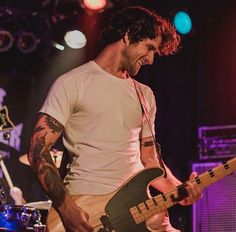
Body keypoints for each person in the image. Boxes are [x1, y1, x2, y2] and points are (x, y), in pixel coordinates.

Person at [28, 6, 202, 232]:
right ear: (128, 35)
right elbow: (37, 149)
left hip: (139, 209)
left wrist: (180, 189)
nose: (150, 59)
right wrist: (66, 207)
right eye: (149, 48)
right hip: (88, 208)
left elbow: (149, 160)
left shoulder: (144, 95)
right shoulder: (73, 83)